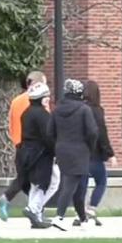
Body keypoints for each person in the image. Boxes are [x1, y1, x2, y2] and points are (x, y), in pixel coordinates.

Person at [48, 79, 98, 231]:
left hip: (62, 149)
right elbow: (92, 132)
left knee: (77, 185)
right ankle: (60, 216)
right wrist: (90, 147)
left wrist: (57, 145)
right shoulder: (84, 110)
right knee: (70, 185)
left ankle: (83, 219)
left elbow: (49, 132)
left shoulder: (57, 109)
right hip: (80, 150)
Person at [0, 71, 46, 221]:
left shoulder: (16, 101)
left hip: (20, 145)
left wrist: (16, 141)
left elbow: (11, 123)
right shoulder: (36, 101)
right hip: (34, 147)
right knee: (39, 181)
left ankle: (34, 210)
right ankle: (34, 210)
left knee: (25, 180)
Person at [18, 82, 57, 229]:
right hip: (41, 154)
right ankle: (34, 209)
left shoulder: (26, 113)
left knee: (36, 184)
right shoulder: (43, 115)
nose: (48, 98)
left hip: (27, 152)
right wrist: (55, 151)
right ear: (43, 98)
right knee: (49, 183)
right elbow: (48, 137)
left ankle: (36, 216)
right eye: (47, 96)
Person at [82, 80, 116, 226]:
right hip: (94, 152)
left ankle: (81, 212)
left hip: (80, 152)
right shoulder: (96, 110)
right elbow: (102, 132)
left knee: (82, 183)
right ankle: (91, 208)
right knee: (101, 181)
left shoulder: (79, 108)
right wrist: (110, 153)